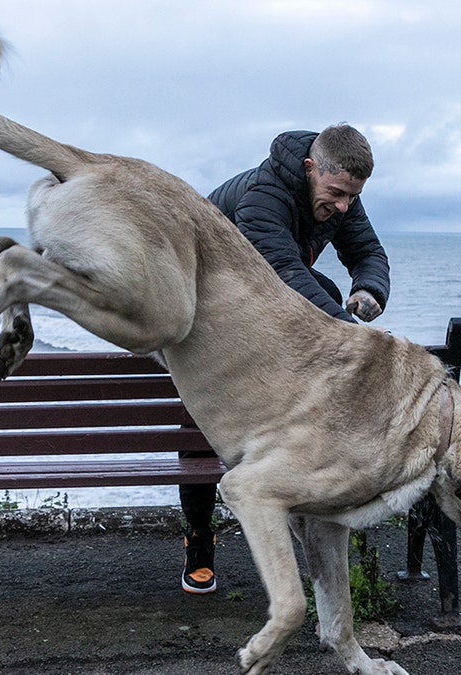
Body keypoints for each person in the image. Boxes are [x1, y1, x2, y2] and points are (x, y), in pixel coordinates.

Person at [178, 123, 391, 594]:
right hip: (204, 303)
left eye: (352, 197)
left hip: (259, 304)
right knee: (199, 425)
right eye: (336, 194)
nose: (343, 206)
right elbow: (282, 272)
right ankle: (199, 538)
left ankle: (310, 510)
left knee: (332, 294)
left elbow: (367, 251)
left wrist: (369, 289)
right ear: (310, 169)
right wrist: (348, 333)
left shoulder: (340, 194)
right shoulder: (261, 196)